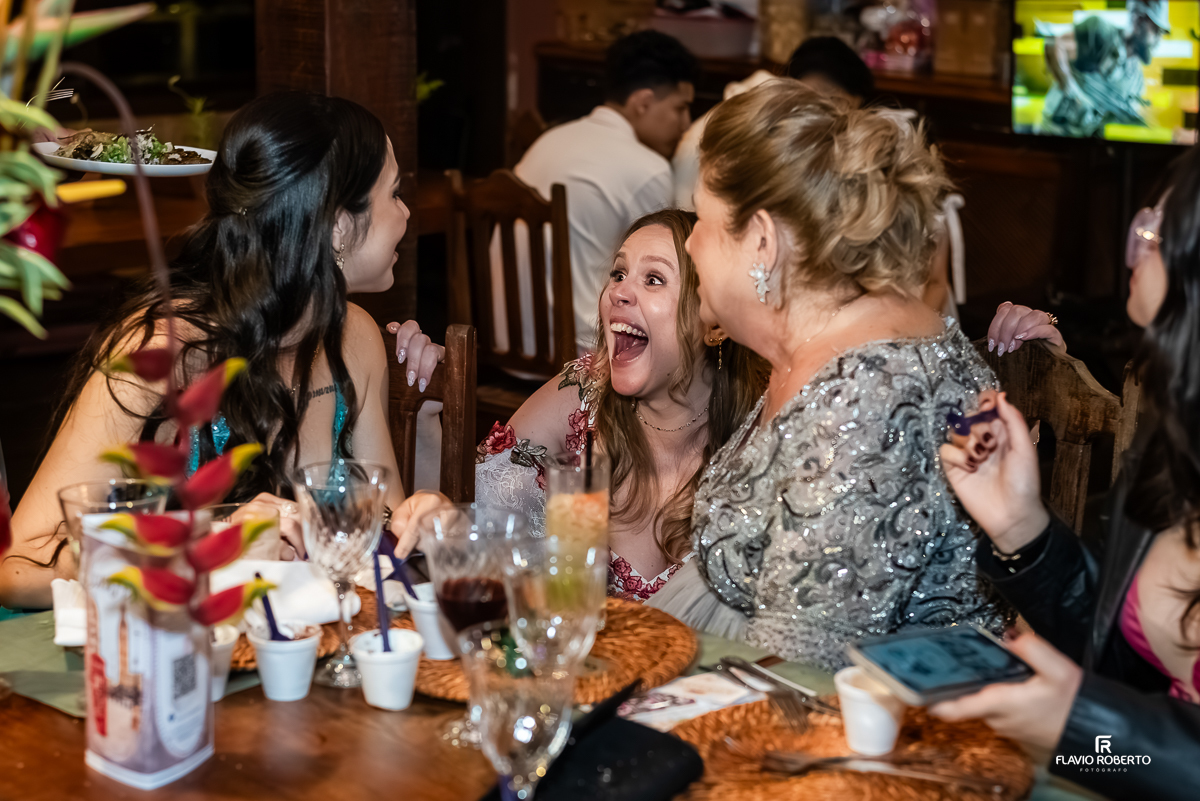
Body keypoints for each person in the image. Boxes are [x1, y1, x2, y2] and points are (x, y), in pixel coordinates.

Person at [1, 92, 446, 611]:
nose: (407, 212)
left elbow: (382, 539)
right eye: (394, 194)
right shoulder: (164, 354)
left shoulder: (356, 338)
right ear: (338, 227)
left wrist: (427, 501)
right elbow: (17, 567)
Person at [649, 80, 1005, 670]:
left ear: (761, 242)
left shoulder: (865, 397)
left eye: (704, 220)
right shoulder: (828, 341)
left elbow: (806, 658)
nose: (689, 244)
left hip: (873, 708)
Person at [931, 147, 1200, 800]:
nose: (1135, 246)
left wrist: (1076, 725)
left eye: (1156, 231)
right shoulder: (1172, 445)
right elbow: (1117, 673)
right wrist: (1022, 528)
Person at [475, 209, 764, 602]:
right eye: (618, 274)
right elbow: (476, 518)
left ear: (714, 324)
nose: (619, 292)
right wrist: (427, 419)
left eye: (654, 279)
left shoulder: (765, 436)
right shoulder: (583, 391)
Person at [511, 30, 697, 357]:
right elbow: (669, 271)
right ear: (643, 102)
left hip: (508, 340)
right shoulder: (646, 168)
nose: (686, 124)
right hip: (581, 350)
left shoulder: (549, 140)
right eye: (680, 108)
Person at [673, 36, 874, 211]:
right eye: (842, 114)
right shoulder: (749, 130)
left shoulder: (778, 117)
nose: (842, 128)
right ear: (823, 98)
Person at [1040, 0, 1169, 137]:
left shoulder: (1137, 81)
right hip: (1053, 139)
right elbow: (1055, 45)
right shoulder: (1102, 33)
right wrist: (1071, 91)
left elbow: (1129, 120)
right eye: (1156, 31)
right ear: (1137, 21)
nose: (1158, 41)